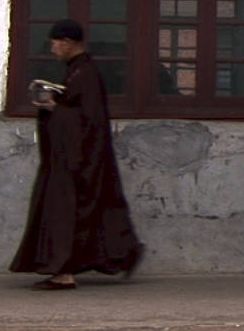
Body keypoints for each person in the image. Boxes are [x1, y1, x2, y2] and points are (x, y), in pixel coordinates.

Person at [10, 19, 144, 290]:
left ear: (69, 43)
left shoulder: (86, 74)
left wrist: (52, 108)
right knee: (93, 210)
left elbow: (86, 121)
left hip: (80, 160)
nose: (53, 49)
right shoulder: (77, 72)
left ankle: (64, 273)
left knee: (68, 212)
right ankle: (123, 253)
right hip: (76, 158)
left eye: (56, 43)